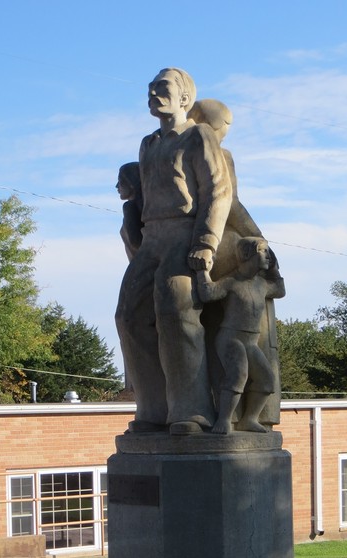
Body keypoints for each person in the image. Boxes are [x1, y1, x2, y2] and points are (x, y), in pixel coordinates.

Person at [115, 68, 232, 434]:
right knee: (129, 318)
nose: (153, 92)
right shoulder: (148, 144)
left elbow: (218, 190)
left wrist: (206, 241)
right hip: (152, 239)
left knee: (176, 316)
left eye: (162, 87)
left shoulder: (198, 136)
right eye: (150, 87)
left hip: (185, 234)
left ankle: (191, 412)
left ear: (185, 98)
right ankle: (154, 409)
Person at [188, 99, 284, 425]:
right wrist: (259, 237)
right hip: (220, 244)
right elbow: (229, 204)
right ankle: (228, 420)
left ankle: (245, 418)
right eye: (223, 128)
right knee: (234, 361)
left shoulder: (173, 149)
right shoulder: (219, 155)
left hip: (196, 247)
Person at [196, 237, 285, 434]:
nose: (268, 256)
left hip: (251, 341)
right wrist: (202, 271)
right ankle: (224, 420)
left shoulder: (261, 284)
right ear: (247, 254)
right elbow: (208, 294)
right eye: (263, 251)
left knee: (267, 380)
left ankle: (249, 419)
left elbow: (280, 290)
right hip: (231, 338)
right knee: (238, 376)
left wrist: (275, 269)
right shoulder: (232, 282)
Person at [116, 162, 143, 262]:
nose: (117, 186)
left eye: (120, 180)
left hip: (140, 265)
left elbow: (135, 242)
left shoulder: (129, 207)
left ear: (131, 183)